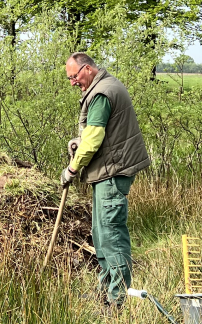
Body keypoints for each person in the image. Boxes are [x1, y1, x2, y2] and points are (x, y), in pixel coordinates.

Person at [61, 52, 151, 308]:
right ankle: (104, 291)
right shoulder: (103, 86)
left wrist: (72, 169)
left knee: (111, 235)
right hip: (107, 172)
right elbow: (95, 133)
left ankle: (117, 299)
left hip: (113, 172)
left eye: (74, 76)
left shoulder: (101, 94)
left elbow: (94, 139)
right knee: (100, 234)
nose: (72, 82)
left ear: (87, 69)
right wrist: (79, 141)